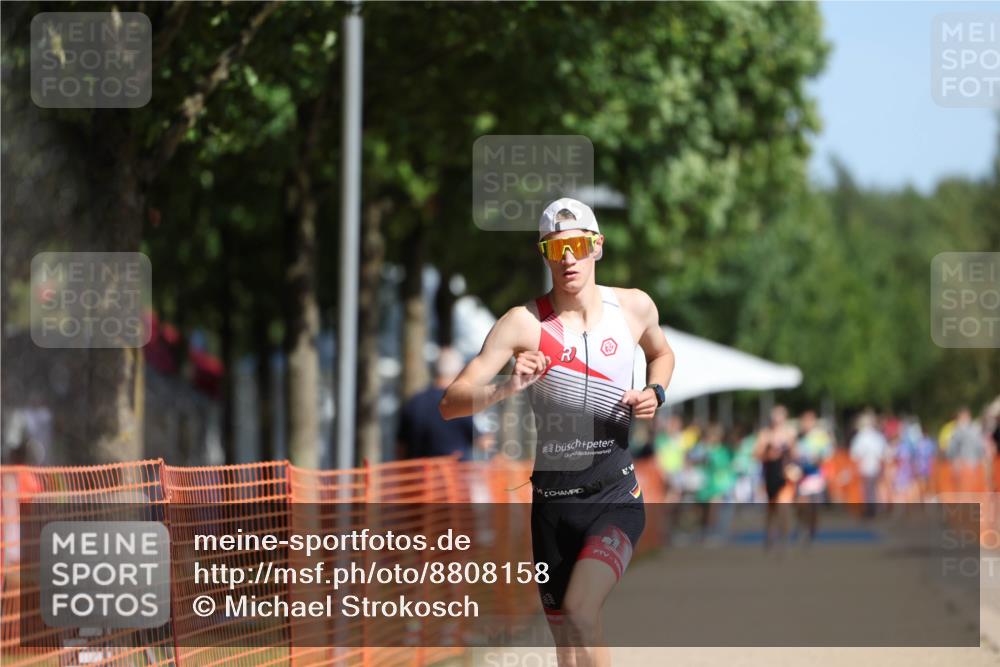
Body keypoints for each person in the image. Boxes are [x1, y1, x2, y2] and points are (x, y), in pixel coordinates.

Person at [439, 198, 675, 667]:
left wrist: (656, 391)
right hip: (551, 506)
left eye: (577, 245)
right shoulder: (523, 324)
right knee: (568, 644)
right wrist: (507, 386)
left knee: (581, 612)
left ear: (597, 247)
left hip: (614, 497)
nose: (568, 258)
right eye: (555, 247)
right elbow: (452, 401)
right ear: (543, 253)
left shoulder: (632, 307)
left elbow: (662, 353)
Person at [398, 347, 483, 461]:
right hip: (454, 476)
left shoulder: (414, 402)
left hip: (419, 475)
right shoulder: (461, 402)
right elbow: (482, 442)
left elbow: (400, 447)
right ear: (459, 372)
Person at [754, 405, 798, 550]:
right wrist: (769, 453)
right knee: (771, 509)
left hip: (784, 475)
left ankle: (784, 539)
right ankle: (770, 537)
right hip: (769, 475)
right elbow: (757, 455)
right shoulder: (765, 434)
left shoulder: (789, 434)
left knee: (783, 507)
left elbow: (795, 455)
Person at [850, 410, 888, 518]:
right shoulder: (877, 436)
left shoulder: (861, 437)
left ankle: (870, 510)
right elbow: (883, 453)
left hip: (865, 468)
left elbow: (855, 454)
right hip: (875, 467)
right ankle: (873, 509)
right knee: (873, 489)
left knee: (867, 490)